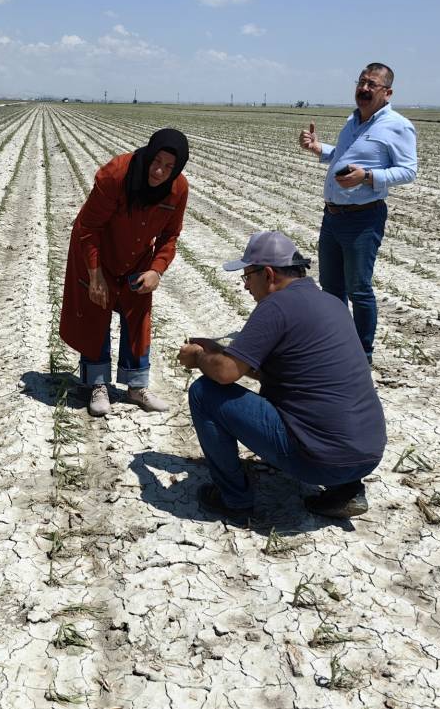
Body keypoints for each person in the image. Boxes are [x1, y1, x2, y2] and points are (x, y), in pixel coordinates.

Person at [177, 231, 386, 521]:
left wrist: (199, 357)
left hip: (319, 460)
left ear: (269, 274)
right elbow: (283, 371)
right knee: (325, 404)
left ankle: (234, 499)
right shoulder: (332, 303)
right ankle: (346, 491)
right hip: (368, 453)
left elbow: (225, 374)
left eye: (248, 276)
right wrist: (220, 350)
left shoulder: (275, 306)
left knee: (204, 392)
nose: (246, 286)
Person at [60, 128, 190, 416]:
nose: (159, 171)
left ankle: (135, 386)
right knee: (96, 313)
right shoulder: (116, 175)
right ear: (148, 155)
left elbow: (170, 236)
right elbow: (88, 229)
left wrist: (157, 269)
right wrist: (95, 276)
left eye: (169, 167)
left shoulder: (178, 189)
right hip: (96, 255)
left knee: (138, 315)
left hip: (137, 259)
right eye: (156, 162)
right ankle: (97, 384)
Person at [298, 63, 417, 364]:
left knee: (359, 290)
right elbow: (343, 156)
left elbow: (408, 171)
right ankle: (337, 346)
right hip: (333, 216)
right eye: (361, 82)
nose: (363, 89)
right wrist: (318, 148)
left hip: (363, 219)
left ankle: (362, 356)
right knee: (331, 287)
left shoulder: (397, 125)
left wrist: (367, 176)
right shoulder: (352, 121)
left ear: (387, 92)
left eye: (372, 85)